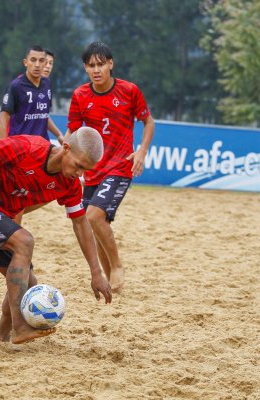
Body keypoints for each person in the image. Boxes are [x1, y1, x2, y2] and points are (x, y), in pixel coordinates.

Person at [0, 128, 113, 345]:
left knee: (28, 281)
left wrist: (96, 273)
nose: (80, 174)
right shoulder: (28, 148)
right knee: (25, 241)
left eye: (86, 170)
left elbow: (81, 223)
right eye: (79, 165)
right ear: (65, 148)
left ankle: (1, 339)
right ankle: (20, 326)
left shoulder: (69, 184)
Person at [65, 42, 155, 294]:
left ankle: (116, 266)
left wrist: (142, 151)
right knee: (92, 223)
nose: (96, 69)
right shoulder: (80, 95)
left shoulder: (129, 91)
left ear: (110, 64)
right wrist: (65, 149)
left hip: (120, 166)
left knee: (93, 216)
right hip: (91, 170)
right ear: (85, 68)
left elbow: (148, 122)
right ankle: (111, 282)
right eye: (91, 65)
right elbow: (72, 129)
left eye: (101, 64)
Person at [0, 45, 64, 145]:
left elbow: (43, 114)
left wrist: (59, 134)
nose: (37, 65)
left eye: (41, 61)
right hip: (21, 147)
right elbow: (3, 119)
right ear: (25, 62)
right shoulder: (16, 86)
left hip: (43, 146)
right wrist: (1, 148)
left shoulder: (47, 84)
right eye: (33, 60)